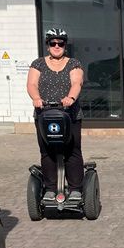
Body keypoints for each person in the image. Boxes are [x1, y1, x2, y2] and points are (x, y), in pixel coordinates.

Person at [26, 28, 85, 200]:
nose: (57, 46)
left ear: (65, 45)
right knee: (47, 151)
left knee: (72, 150)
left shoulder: (74, 63)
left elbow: (77, 82)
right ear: (48, 45)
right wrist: (36, 98)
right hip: (44, 114)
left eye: (61, 43)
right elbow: (31, 84)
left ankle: (75, 189)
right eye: (53, 43)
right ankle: (50, 189)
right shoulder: (38, 64)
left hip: (70, 114)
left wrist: (70, 98)